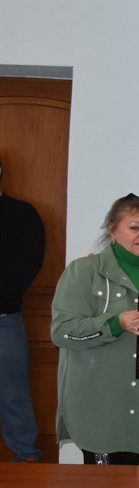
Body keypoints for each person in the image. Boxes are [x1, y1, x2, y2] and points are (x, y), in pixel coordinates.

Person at [51, 195, 139, 464]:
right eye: (134, 227)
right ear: (112, 230)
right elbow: (62, 331)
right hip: (102, 406)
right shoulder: (84, 271)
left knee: (135, 486)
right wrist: (115, 324)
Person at [0, 156, 44, 462]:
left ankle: (26, 457)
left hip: (5, 319)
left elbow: (28, 265)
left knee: (13, 394)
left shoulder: (22, 214)